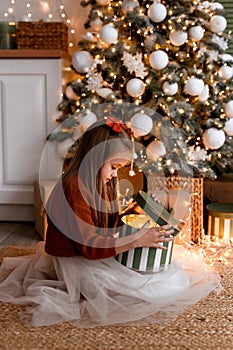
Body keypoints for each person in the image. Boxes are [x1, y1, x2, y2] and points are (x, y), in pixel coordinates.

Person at [0, 117, 221, 328]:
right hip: (77, 260)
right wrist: (136, 240)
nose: (116, 174)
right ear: (96, 159)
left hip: (95, 249)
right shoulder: (75, 188)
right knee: (149, 289)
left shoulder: (100, 181)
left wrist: (136, 208)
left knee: (169, 272)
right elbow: (88, 247)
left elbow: (107, 226)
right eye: (114, 166)